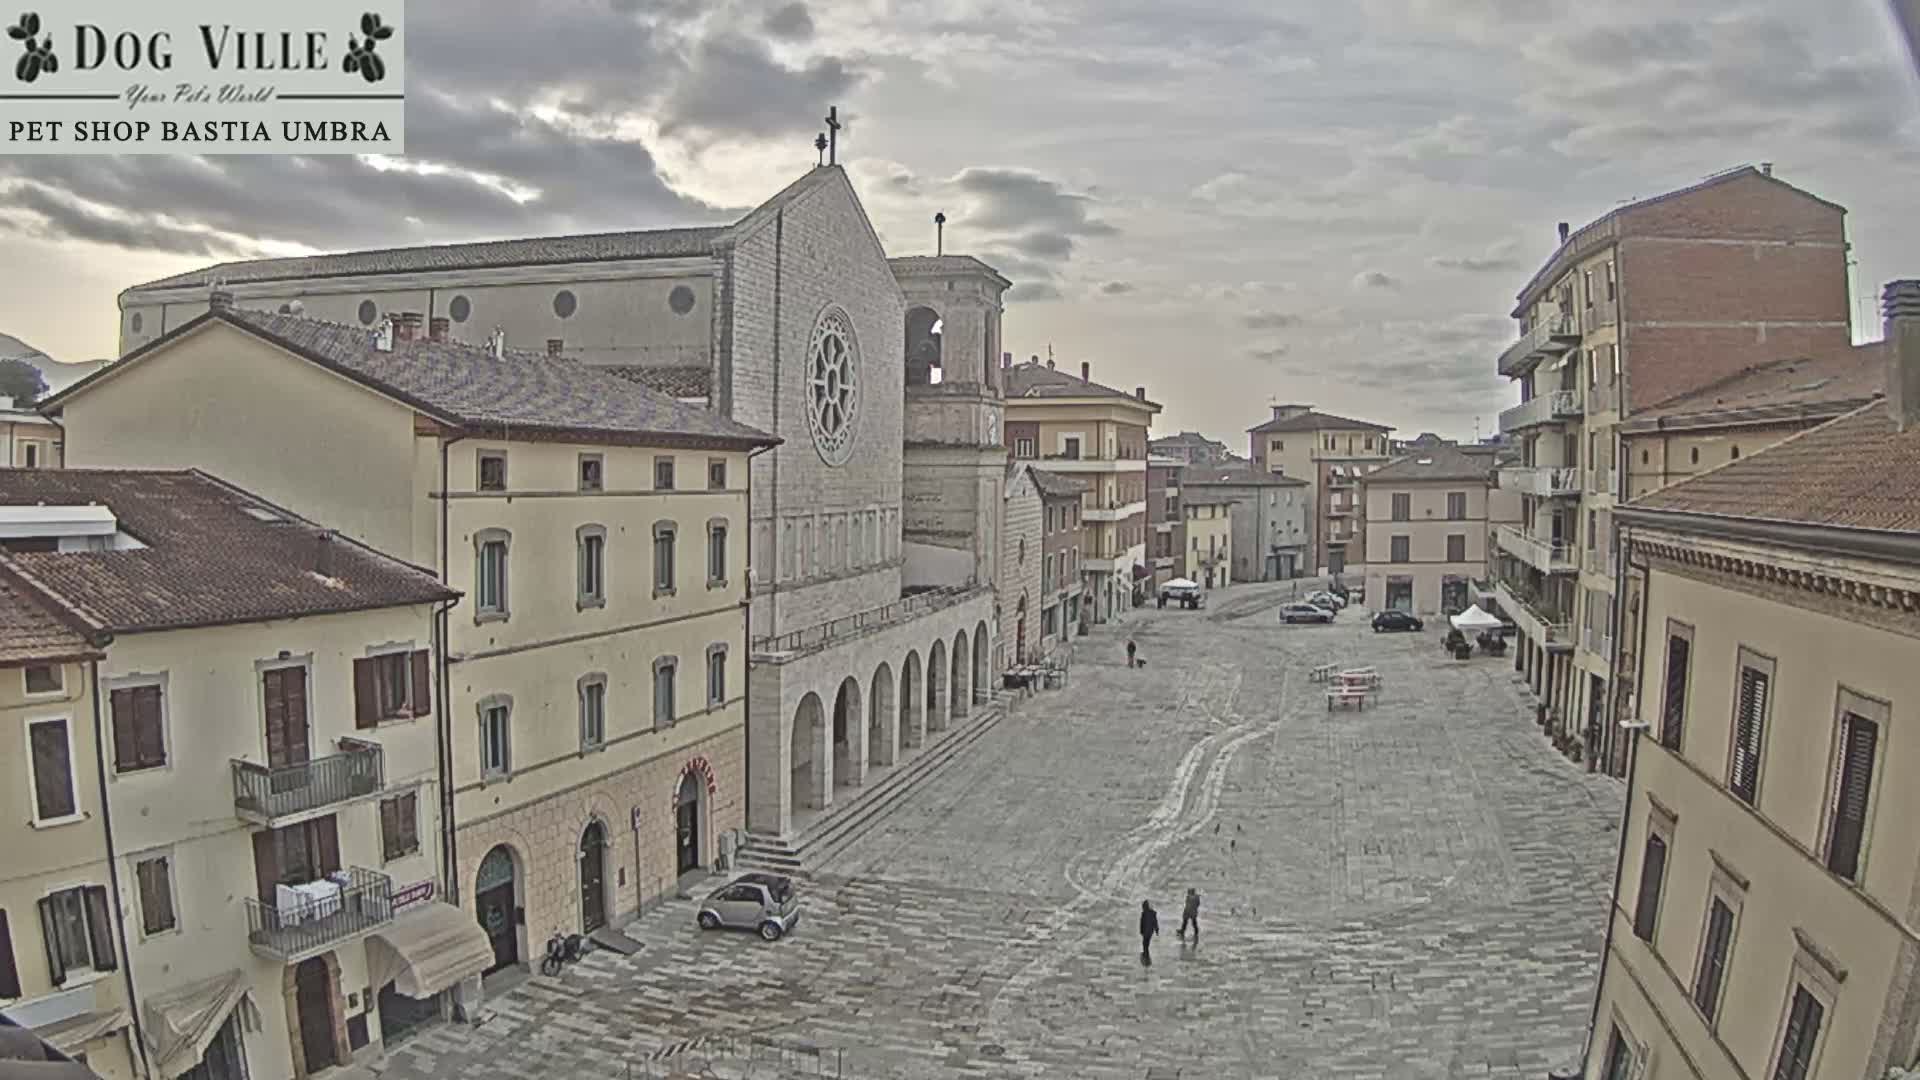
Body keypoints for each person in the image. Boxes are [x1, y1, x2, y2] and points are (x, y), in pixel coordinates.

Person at [1138, 900, 1159, 964]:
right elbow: (1155, 922)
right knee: (1147, 942)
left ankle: (1146, 954)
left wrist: (1141, 931)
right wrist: (1156, 930)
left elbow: (1141, 923)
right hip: (1150, 931)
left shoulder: (1144, 914)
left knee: (1144, 943)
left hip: (1145, 931)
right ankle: (1146, 953)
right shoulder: (1153, 914)